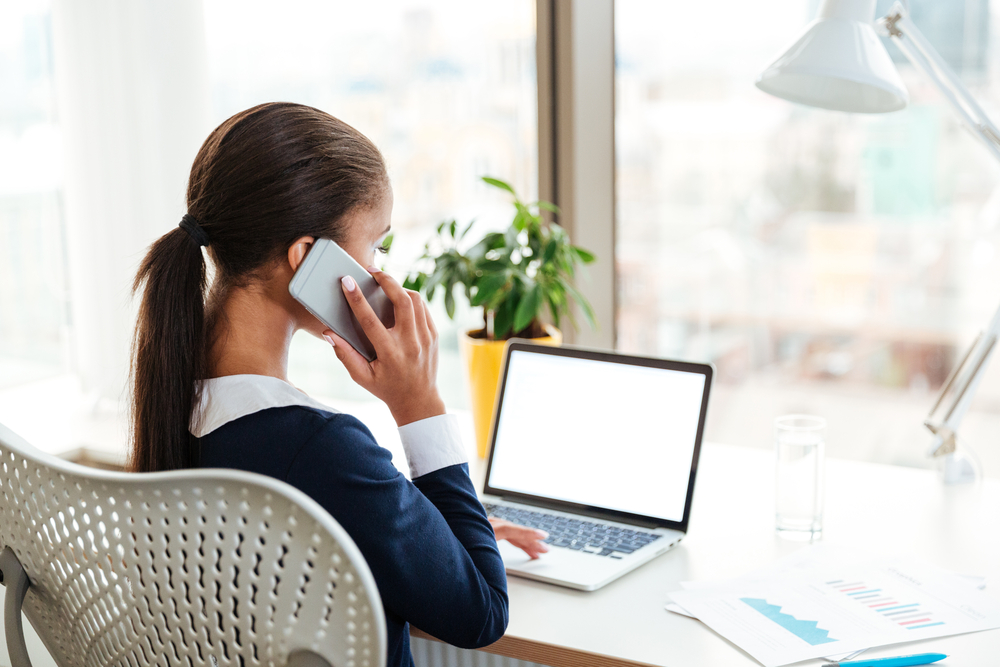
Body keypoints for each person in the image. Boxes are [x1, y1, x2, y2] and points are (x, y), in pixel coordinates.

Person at [128, 102, 547, 667]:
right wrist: (418, 404)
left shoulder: (173, 404)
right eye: (376, 244)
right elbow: (481, 614)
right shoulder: (320, 448)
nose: (379, 272)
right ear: (307, 259)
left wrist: (435, 529)